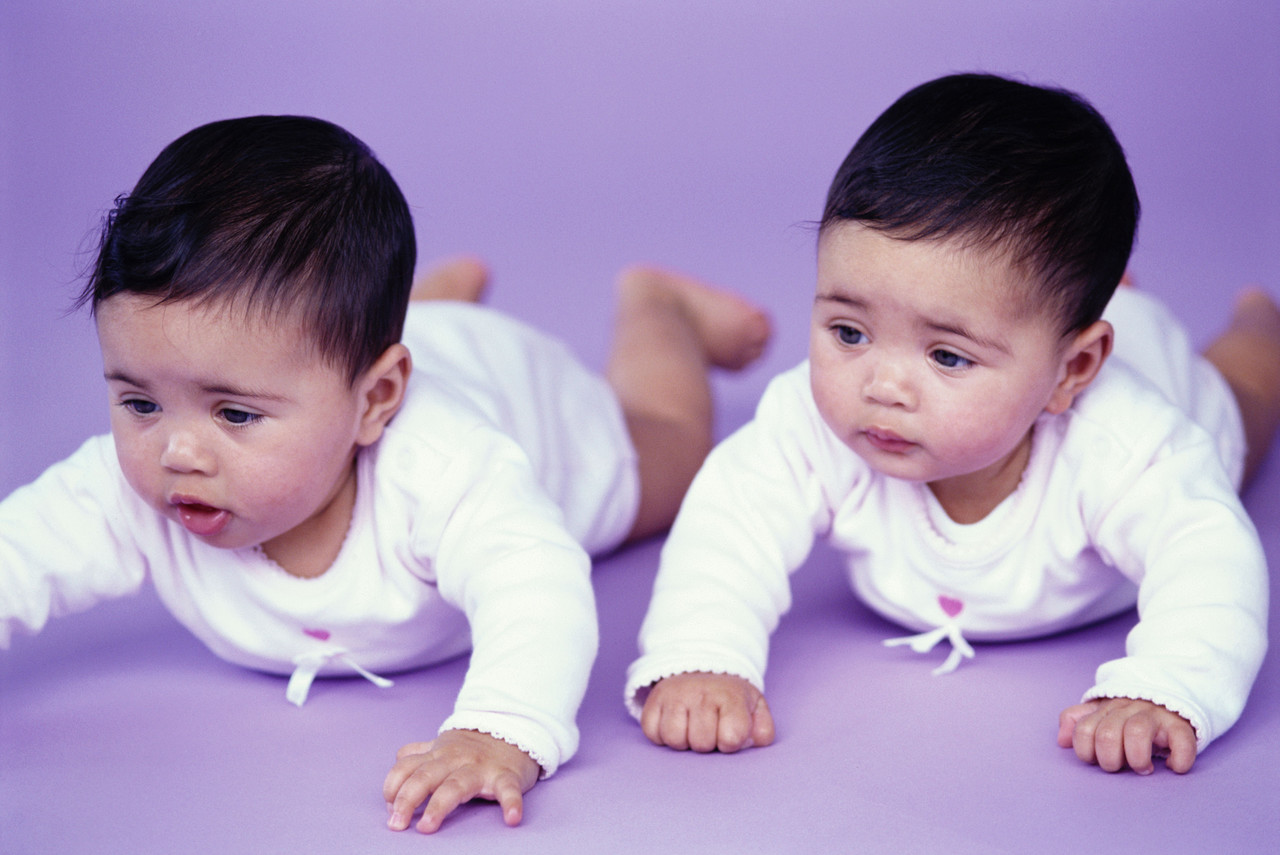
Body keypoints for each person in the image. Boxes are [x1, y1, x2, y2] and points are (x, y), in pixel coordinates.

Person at [0, 115, 771, 833]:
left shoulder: (444, 468)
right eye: (138, 401)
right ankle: (422, 303)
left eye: (233, 414)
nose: (177, 451)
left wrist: (495, 727)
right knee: (326, 350)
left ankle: (659, 308)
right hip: (368, 363)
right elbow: (20, 553)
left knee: (670, 455)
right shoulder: (140, 478)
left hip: (521, 398)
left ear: (377, 403)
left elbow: (535, 583)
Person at [625, 73, 1280, 776]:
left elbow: (1207, 557)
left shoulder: (1128, 444)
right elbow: (731, 524)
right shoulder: (811, 421)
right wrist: (703, 653)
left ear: (1071, 373)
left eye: (945, 354)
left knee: (1244, 394)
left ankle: (1255, 319)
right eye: (849, 331)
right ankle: (1096, 290)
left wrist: (1169, 686)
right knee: (1027, 301)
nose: (882, 384)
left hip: (1165, 378)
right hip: (1043, 332)